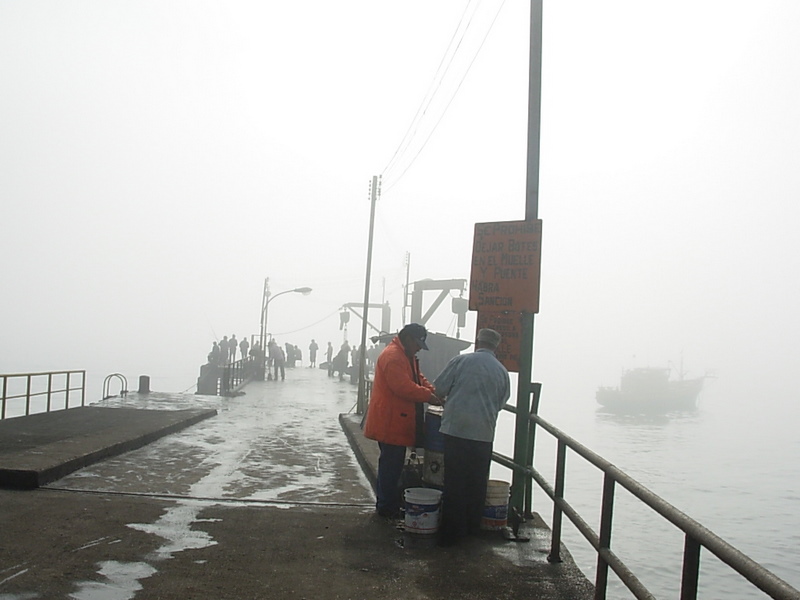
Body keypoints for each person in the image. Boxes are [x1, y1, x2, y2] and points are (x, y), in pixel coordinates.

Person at [433, 328, 511, 546]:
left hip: (456, 431)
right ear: (496, 346)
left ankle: (451, 532)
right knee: (477, 483)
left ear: (478, 342)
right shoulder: (501, 371)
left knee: (454, 482)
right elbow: (502, 402)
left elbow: (438, 389)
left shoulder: (461, 362)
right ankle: (471, 529)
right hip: (483, 435)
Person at [363, 323, 441, 519]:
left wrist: (433, 391)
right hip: (390, 421)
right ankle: (386, 506)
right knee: (391, 466)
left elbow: (417, 378)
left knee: (393, 465)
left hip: (397, 420)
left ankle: (388, 503)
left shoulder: (405, 355)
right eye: (417, 344)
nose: (418, 348)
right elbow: (403, 386)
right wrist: (429, 396)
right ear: (408, 339)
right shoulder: (393, 357)